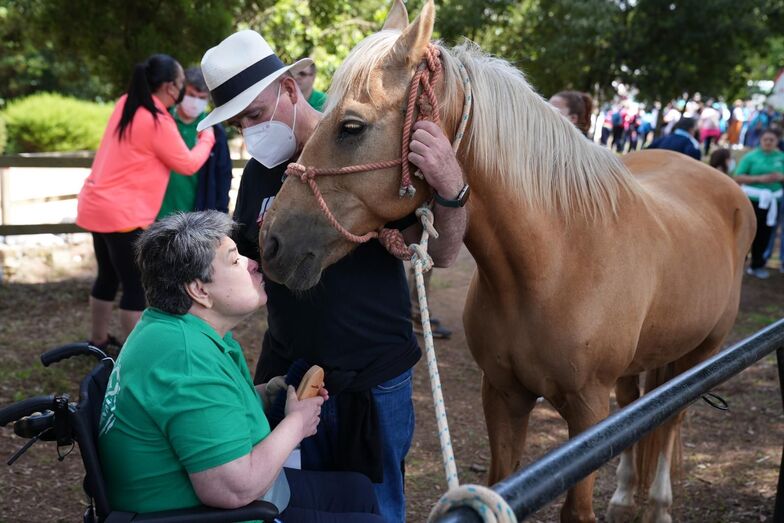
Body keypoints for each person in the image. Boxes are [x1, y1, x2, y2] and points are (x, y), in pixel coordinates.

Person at [197, 30, 467, 522]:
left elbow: (441, 254)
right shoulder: (259, 171)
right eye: (238, 124)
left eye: (254, 115)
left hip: (375, 375)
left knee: (379, 504)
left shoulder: (366, 147)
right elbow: (243, 261)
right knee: (300, 502)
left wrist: (451, 187)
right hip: (293, 374)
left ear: (289, 89)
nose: (249, 132)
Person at [98, 211, 384, 522]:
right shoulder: (187, 362)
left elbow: (207, 410)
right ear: (200, 290)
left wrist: (267, 394)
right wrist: (296, 424)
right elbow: (232, 490)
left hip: (235, 501)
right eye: (235, 261)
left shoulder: (172, 330)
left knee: (358, 490)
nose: (252, 262)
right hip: (215, 512)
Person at [76, 54, 216, 350]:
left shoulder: (126, 103)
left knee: (107, 277)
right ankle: (131, 354)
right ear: (169, 87)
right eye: (180, 84)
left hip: (96, 204)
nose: (181, 92)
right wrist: (207, 139)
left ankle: (98, 340)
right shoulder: (157, 121)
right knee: (135, 286)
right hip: (123, 214)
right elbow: (188, 164)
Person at [157, 67, 233, 219]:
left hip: (193, 219)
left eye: (201, 97)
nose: (195, 102)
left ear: (208, 99)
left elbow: (223, 175)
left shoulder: (214, 130)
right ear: (181, 92)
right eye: (191, 95)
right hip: (155, 214)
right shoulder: (162, 120)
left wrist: (220, 216)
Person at [731, 128, 784, 279]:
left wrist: (780, 177)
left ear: (776, 142)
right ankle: (740, 262)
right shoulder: (751, 156)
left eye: (771, 140)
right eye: (765, 139)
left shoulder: (781, 157)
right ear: (760, 141)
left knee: (765, 233)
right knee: (746, 231)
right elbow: (738, 177)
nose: (768, 142)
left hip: (773, 200)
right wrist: (760, 179)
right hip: (752, 200)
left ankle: (757, 264)